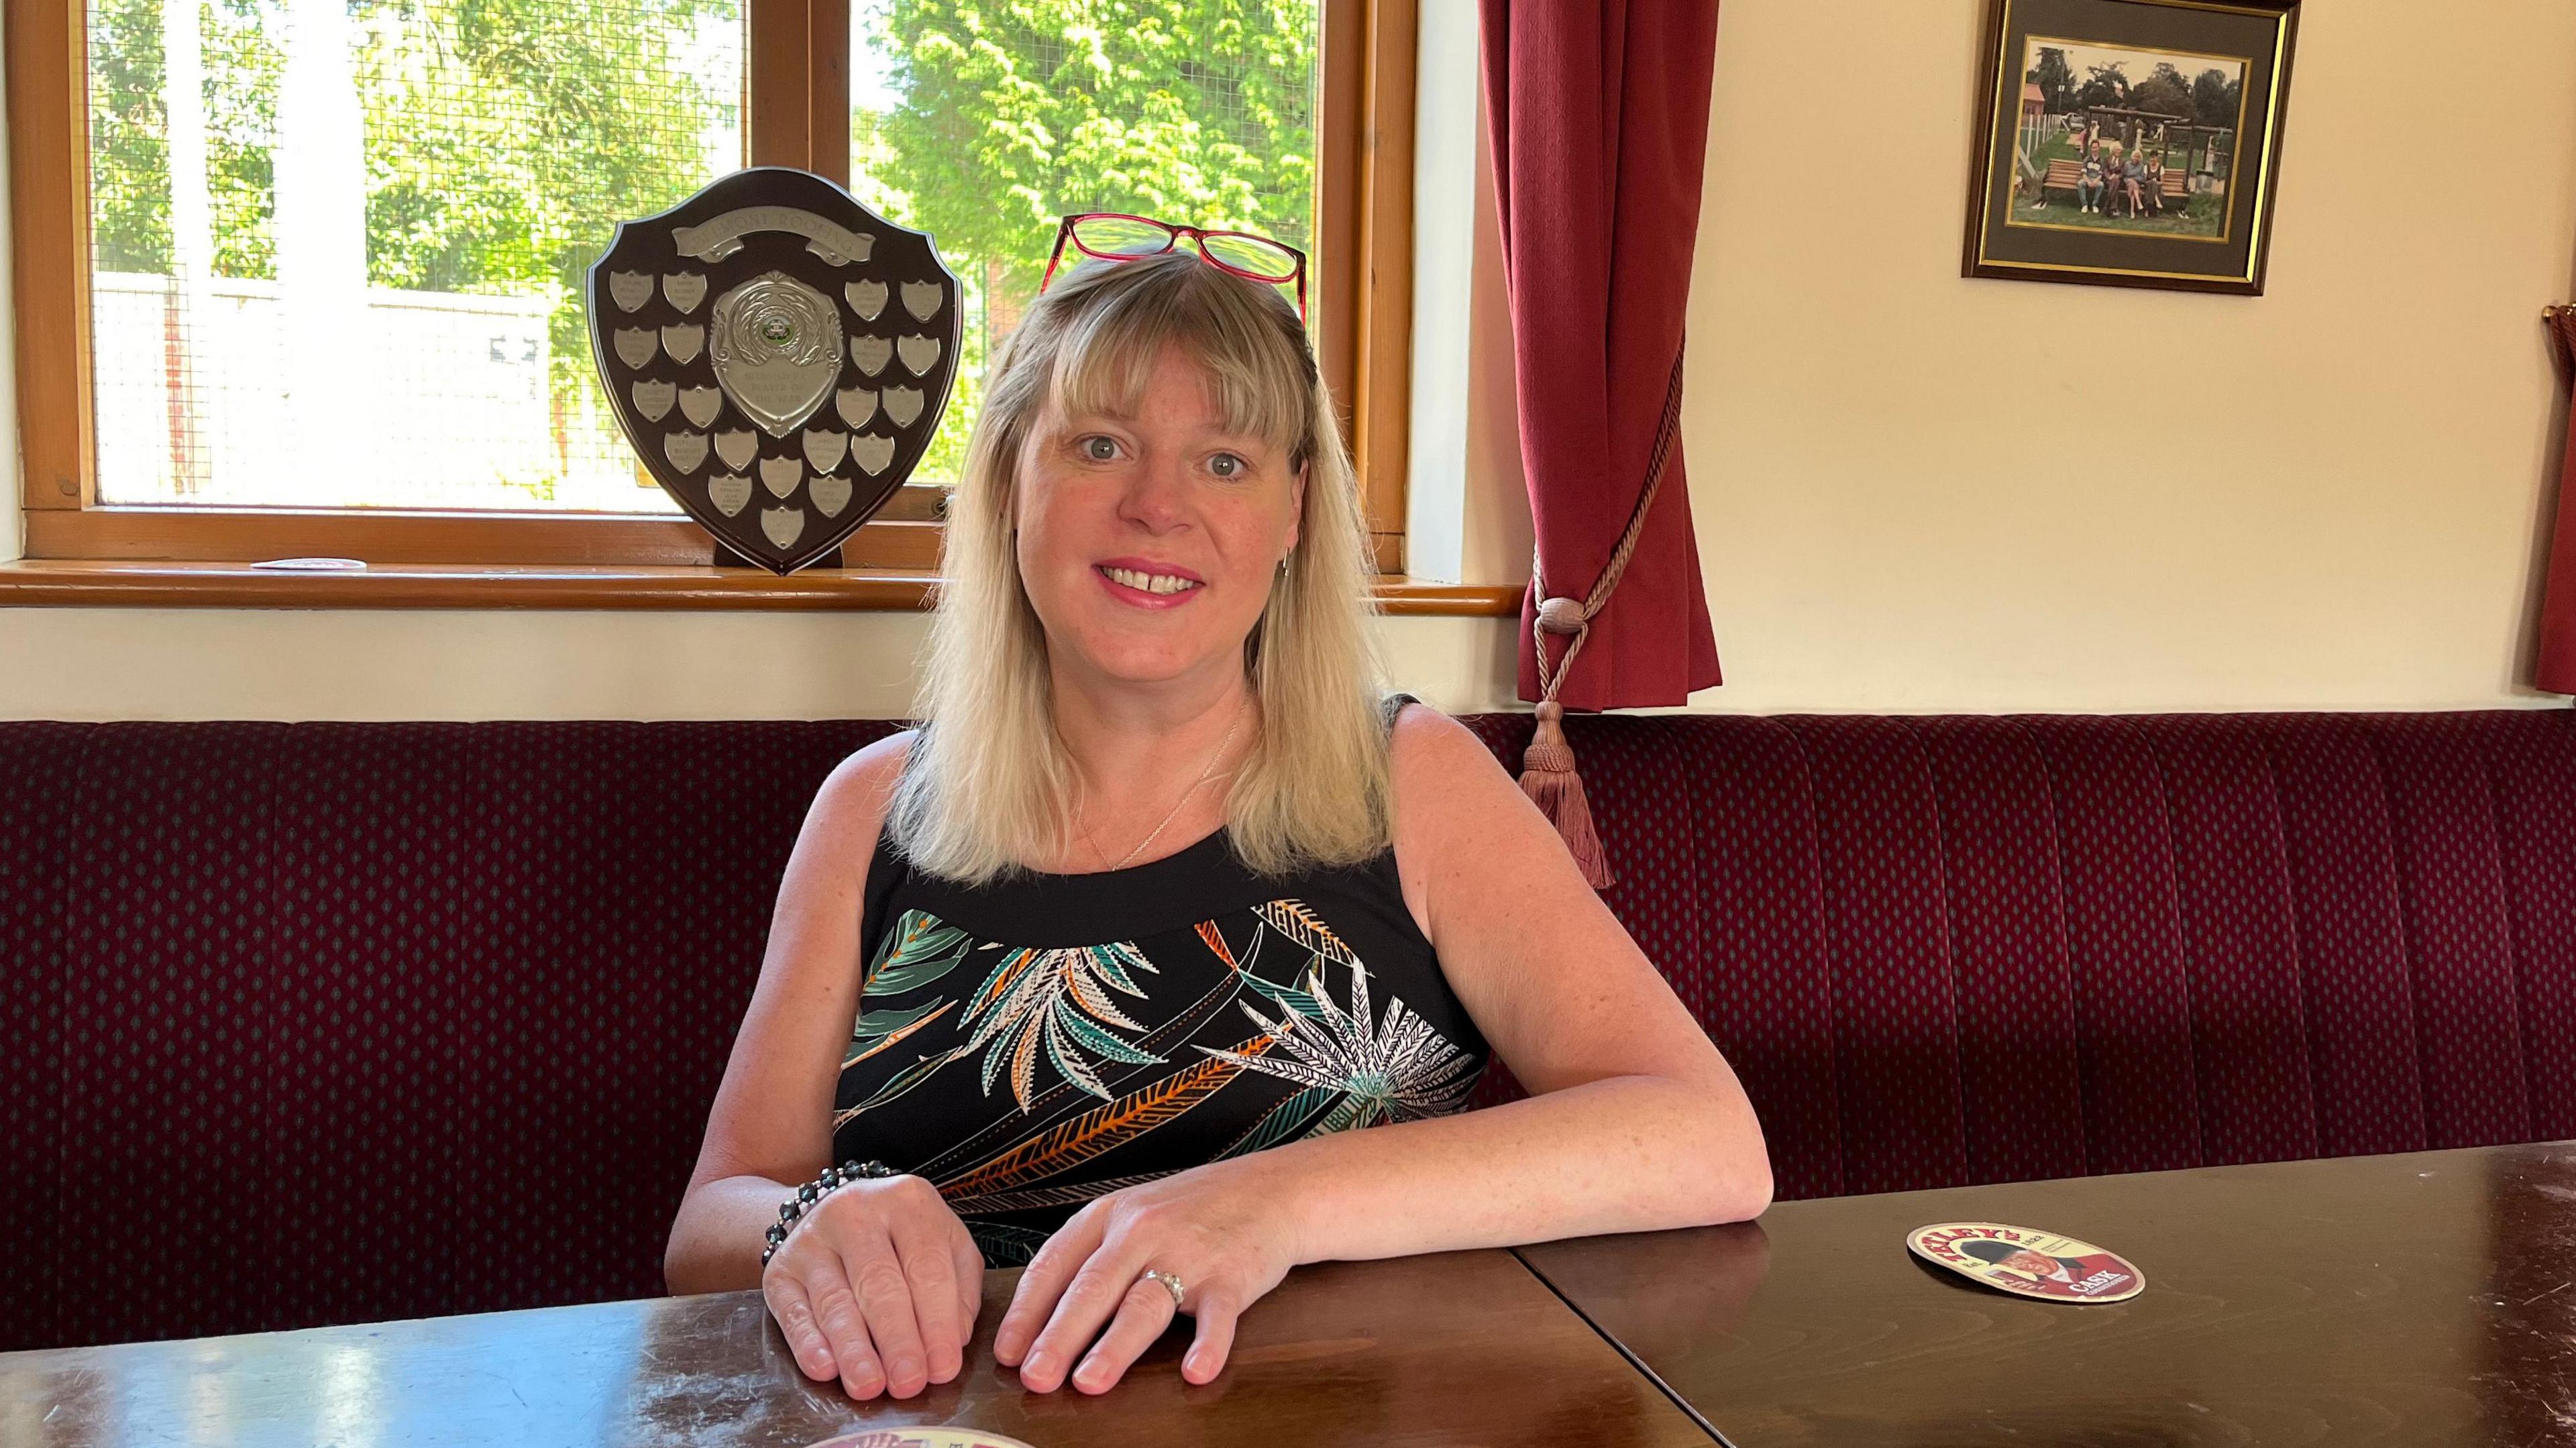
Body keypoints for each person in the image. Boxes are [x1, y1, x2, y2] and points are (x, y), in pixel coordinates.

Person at [662, 221, 1774, 1403]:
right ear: (1008, 483)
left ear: (1295, 513)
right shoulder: (872, 808)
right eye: (1099, 444)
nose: (1158, 506)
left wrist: (1266, 1201)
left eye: (1225, 461)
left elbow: (1704, 1137)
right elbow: (712, 1226)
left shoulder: (1411, 779)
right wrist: (813, 1217)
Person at [2077, 143, 2107, 215]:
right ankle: (2084, 205)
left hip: (2096, 179)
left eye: (2096, 147)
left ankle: (2095, 205)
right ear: (2091, 149)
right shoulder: (2087, 159)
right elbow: (2084, 174)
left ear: (2099, 148)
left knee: (2101, 185)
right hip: (2087, 178)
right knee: (2080, 184)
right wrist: (2088, 182)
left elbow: (2101, 175)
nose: (2095, 149)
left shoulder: (2102, 161)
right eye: (2093, 148)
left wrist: (2095, 182)